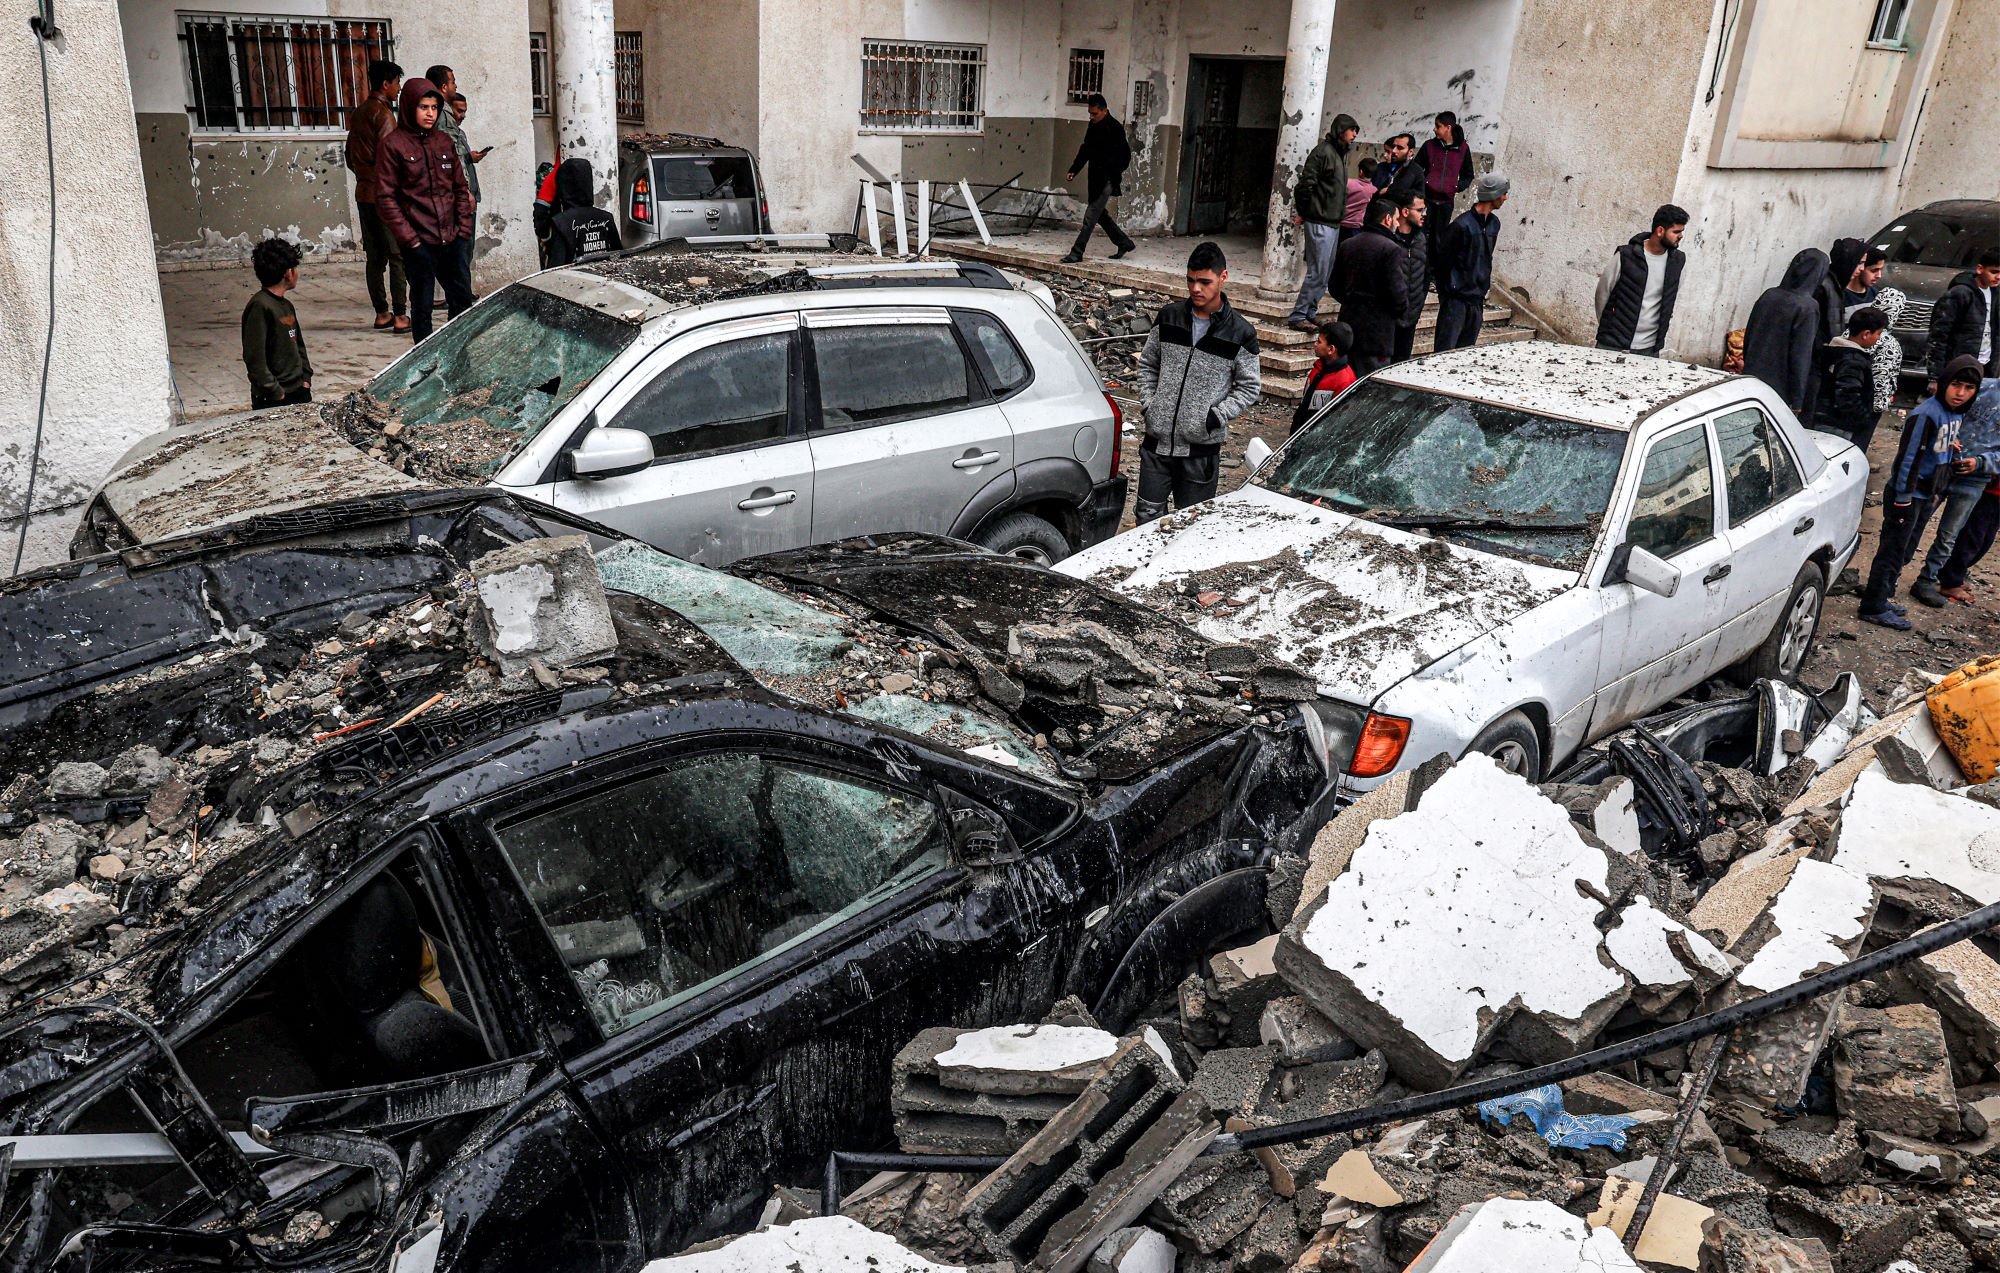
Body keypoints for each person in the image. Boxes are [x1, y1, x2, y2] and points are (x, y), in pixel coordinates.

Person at [1134, 241, 1261, 523]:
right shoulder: (1169, 317)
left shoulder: (1240, 333)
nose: (1195, 289)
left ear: (1223, 277)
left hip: (1200, 452)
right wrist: (1150, 405)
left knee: (1191, 524)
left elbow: (1249, 386)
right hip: (1156, 445)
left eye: (1204, 282)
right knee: (1146, 518)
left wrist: (1215, 417)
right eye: (1190, 280)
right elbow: (1148, 364)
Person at [1859, 356, 1983, 628]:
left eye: (1969, 388)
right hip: (1908, 496)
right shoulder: (1926, 414)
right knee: (1891, 552)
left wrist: (1949, 450)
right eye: (1956, 385)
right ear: (1944, 383)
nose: (1961, 393)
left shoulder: (1954, 413)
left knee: (1904, 550)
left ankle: (1882, 596)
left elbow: (1939, 448)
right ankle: (1873, 605)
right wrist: (1903, 498)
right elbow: (1908, 459)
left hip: (1927, 494)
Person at [374, 77, 475, 343]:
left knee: (462, 301)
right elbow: (386, 198)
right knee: (422, 307)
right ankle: (425, 359)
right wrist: (410, 240)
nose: (430, 113)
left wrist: (463, 229)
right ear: (410, 107)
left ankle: (458, 352)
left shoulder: (443, 141)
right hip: (419, 242)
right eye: (423, 107)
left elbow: (459, 188)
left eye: (434, 107)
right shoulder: (393, 145)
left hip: (452, 238)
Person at [1912, 373, 2000, 608]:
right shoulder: (1981, 388)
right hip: (1943, 467)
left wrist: (1980, 462)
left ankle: (1927, 580)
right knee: (1916, 521)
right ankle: (1890, 576)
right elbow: (1947, 410)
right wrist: (1948, 437)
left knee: (1949, 534)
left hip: (1975, 479)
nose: (1961, 391)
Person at [344, 59, 407, 333]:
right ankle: (401, 315)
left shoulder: (359, 113)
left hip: (364, 192)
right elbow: (391, 159)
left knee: (374, 257)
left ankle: (382, 313)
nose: (399, 88)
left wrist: (365, 175)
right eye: (397, 83)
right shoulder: (383, 115)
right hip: (384, 195)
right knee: (396, 255)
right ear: (386, 84)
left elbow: (349, 156)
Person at [1286, 112, 1359, 332]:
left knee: (1325, 272)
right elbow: (1305, 186)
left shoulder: (1339, 154)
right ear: (1341, 130)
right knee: (1317, 271)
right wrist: (1306, 212)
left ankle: (1310, 312)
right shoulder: (1323, 153)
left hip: (1333, 221)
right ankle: (1299, 315)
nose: (1354, 135)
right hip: (1320, 220)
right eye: (1351, 130)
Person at [1741, 249, 1831, 416]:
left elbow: (1749, 336)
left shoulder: (1769, 295)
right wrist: (1797, 400)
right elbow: (1800, 356)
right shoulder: (1807, 307)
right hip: (1780, 388)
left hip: (1752, 378)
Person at [1593, 205, 1688, 356]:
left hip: (1650, 348)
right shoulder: (1625, 256)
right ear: (1660, 231)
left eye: (1681, 231)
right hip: (1613, 344)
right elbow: (1602, 294)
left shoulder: (1677, 261)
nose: (1681, 236)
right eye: (1676, 232)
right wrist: (1611, 328)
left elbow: (1671, 296)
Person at [1330, 196, 1408, 374]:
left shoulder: (1348, 244)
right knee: (1371, 381)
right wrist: (1394, 311)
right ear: (1387, 219)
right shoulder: (1391, 249)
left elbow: (1334, 286)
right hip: (1377, 332)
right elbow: (1397, 293)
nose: (1398, 224)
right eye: (1396, 219)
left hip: (1349, 324)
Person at [425, 66, 488, 278]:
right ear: (444, 86)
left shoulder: (434, 113)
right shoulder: (442, 113)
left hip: (445, 193)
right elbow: (450, 156)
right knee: (459, 251)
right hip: (452, 195)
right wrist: (465, 191)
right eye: (452, 81)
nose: (455, 85)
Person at [1434, 173, 1508, 352]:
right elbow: (1442, 263)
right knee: (1444, 352)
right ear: (1494, 195)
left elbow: (1485, 258)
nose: (1505, 198)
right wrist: (1449, 292)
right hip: (1456, 301)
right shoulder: (1461, 226)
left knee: (1465, 352)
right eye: (1503, 193)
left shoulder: (1494, 224)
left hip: (1476, 300)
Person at [1061, 94, 1136, 264]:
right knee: (1100, 215)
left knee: (1090, 216)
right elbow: (1086, 149)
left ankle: (1077, 252)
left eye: (1094, 113)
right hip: (1095, 179)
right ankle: (1124, 242)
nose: (1091, 117)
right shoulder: (1093, 126)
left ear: (1104, 111)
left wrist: (1113, 173)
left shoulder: (1115, 128)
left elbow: (1125, 156)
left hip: (1107, 180)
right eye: (1090, 113)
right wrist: (1074, 169)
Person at [242, 237, 312, 410]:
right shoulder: (260, 306)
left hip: (298, 389)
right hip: (275, 397)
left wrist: (305, 378)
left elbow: (298, 345)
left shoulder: (286, 305)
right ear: (288, 272)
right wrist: (274, 391)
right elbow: (255, 357)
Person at [1811, 306, 1888, 453]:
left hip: (1824, 418)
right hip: (1838, 425)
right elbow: (1847, 395)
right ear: (1866, 334)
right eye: (1878, 334)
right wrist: (1863, 419)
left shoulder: (1833, 352)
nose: (1878, 338)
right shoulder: (1853, 360)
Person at [1927, 251, 2000, 390]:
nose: (1998, 277)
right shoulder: (1960, 293)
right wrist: (1935, 377)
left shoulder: (1996, 293)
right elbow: (1939, 336)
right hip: (1959, 367)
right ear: (1980, 269)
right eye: (1994, 272)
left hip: (1986, 368)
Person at [1414, 111, 1474, 277]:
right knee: (1421, 235)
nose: (1434, 129)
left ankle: (1433, 274)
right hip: (1426, 200)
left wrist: (1455, 187)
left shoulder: (1463, 149)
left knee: (1439, 239)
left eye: (1438, 126)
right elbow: (1416, 169)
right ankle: (1419, 269)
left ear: (1448, 127)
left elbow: (1468, 175)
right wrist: (1423, 186)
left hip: (1446, 203)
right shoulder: (1429, 146)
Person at [537, 157, 623, 266]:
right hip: (603, 274)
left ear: (563, 185)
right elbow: (619, 258)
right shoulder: (606, 218)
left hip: (576, 276)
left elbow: (556, 267)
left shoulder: (562, 223)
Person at [1937, 473, 2000, 604]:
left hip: (1996, 495)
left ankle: (1954, 575)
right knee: (1971, 539)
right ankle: (1950, 581)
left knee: (1985, 541)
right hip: (1986, 491)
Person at [1388, 188, 1429, 363]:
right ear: (1405, 212)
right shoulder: (1389, 239)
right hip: (1389, 318)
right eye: (1419, 210)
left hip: (1411, 316)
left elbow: (1426, 275)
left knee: (1402, 363)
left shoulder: (1421, 239)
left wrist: (1418, 304)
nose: (1424, 214)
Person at [1294, 321, 1356, 428]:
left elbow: (1339, 421)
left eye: (1319, 342)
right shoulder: (1319, 367)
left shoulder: (1345, 381)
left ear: (1331, 349)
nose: (1315, 344)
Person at [1871, 287, 1908, 416]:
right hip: (1870, 404)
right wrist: (1880, 404)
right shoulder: (1888, 343)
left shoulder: (1857, 330)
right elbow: (1881, 375)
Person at [1372, 133, 1421, 197]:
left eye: (1389, 152)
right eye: (1385, 151)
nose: (1385, 155)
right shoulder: (1380, 167)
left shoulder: (1412, 171)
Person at [1343, 159, 1377, 231]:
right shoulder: (1373, 190)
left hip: (1341, 222)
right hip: (1356, 226)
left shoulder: (1348, 183)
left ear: (1361, 172)